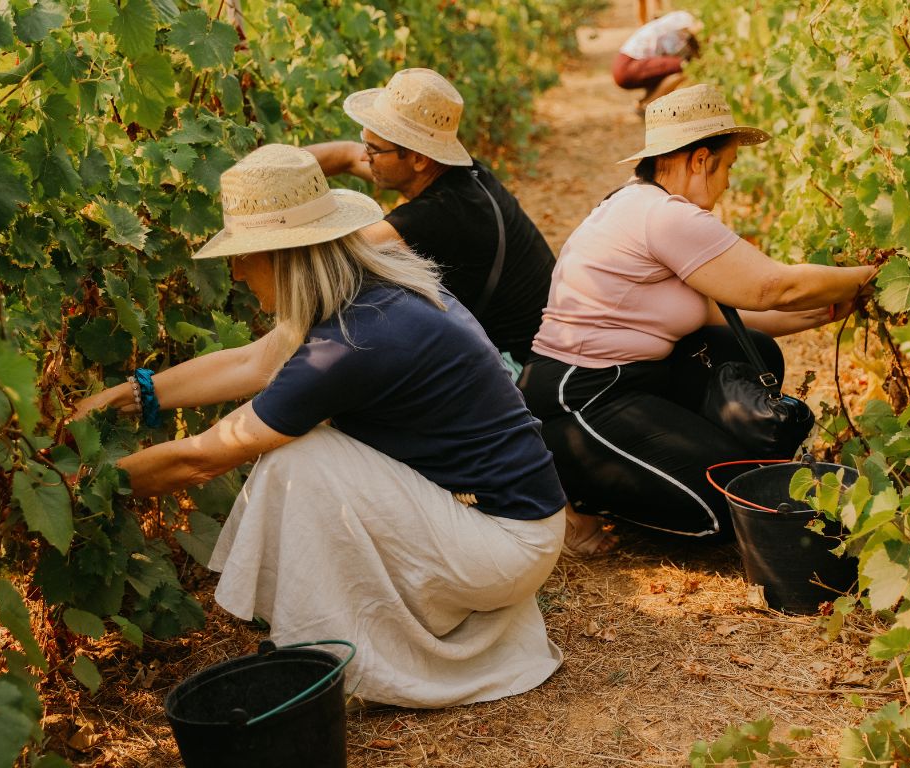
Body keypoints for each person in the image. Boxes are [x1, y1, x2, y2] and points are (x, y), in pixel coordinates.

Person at [72, 144, 567, 708]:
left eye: (244, 255)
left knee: (297, 458)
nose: (234, 271)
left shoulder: (351, 341)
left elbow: (205, 456)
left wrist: (89, 487)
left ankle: (333, 655)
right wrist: (135, 394)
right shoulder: (373, 289)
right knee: (303, 450)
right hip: (509, 524)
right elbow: (252, 362)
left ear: (286, 256)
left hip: (503, 547)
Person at [518, 85, 877, 553]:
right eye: (728, 166)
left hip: (634, 380)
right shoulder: (663, 216)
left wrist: (824, 313)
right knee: (727, 507)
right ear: (700, 160)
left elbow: (719, 311)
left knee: (752, 352)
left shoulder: (639, 203)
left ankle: (641, 470)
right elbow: (772, 286)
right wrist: (873, 275)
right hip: (578, 397)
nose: (728, 182)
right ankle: (575, 491)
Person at [305, 68, 557, 371]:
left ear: (419, 159)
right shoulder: (460, 178)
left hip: (520, 370)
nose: (364, 156)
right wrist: (267, 173)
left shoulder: (437, 217)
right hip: (542, 346)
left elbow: (327, 258)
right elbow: (345, 154)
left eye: (374, 149)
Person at [613, 10, 701, 113]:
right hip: (628, 67)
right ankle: (648, 106)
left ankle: (645, 103)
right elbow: (694, 31)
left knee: (671, 67)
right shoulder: (684, 19)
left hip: (625, 63)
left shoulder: (675, 22)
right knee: (687, 68)